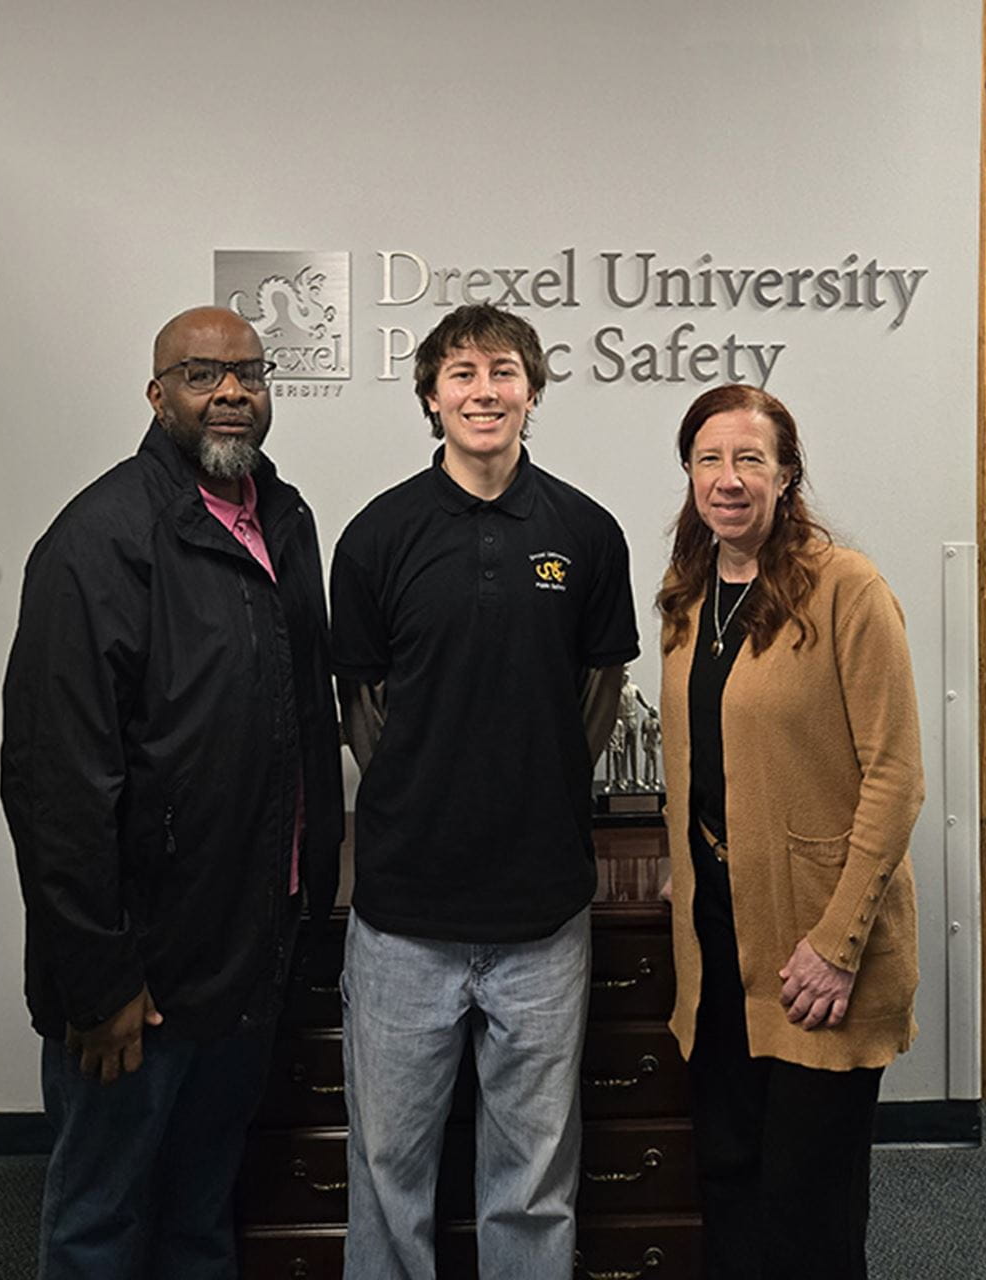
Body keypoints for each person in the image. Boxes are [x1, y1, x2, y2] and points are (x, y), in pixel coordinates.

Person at [0, 305, 343, 1280]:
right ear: (157, 397)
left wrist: (304, 903)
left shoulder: (284, 519)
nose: (229, 391)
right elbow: (52, 779)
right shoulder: (99, 538)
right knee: (99, 1223)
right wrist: (98, 980)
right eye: (200, 374)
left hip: (248, 953)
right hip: (137, 977)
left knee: (200, 1216)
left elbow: (298, 720)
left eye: (246, 373)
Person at [330, 303, 639, 1280]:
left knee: (532, 1181)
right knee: (387, 1170)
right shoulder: (377, 535)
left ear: (532, 390)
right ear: (430, 396)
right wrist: (434, 795)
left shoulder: (585, 532)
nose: (483, 390)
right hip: (400, 920)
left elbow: (598, 694)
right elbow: (364, 708)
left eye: (502, 371)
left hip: (541, 917)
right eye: (460, 373)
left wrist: (531, 783)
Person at [656, 384, 923, 1280]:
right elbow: (703, 759)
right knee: (729, 1179)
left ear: (787, 474)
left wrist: (838, 944)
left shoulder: (847, 588)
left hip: (815, 950)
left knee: (807, 1209)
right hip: (720, 945)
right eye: (709, 460)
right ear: (689, 472)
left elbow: (896, 777)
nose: (728, 480)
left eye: (750, 460)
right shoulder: (690, 595)